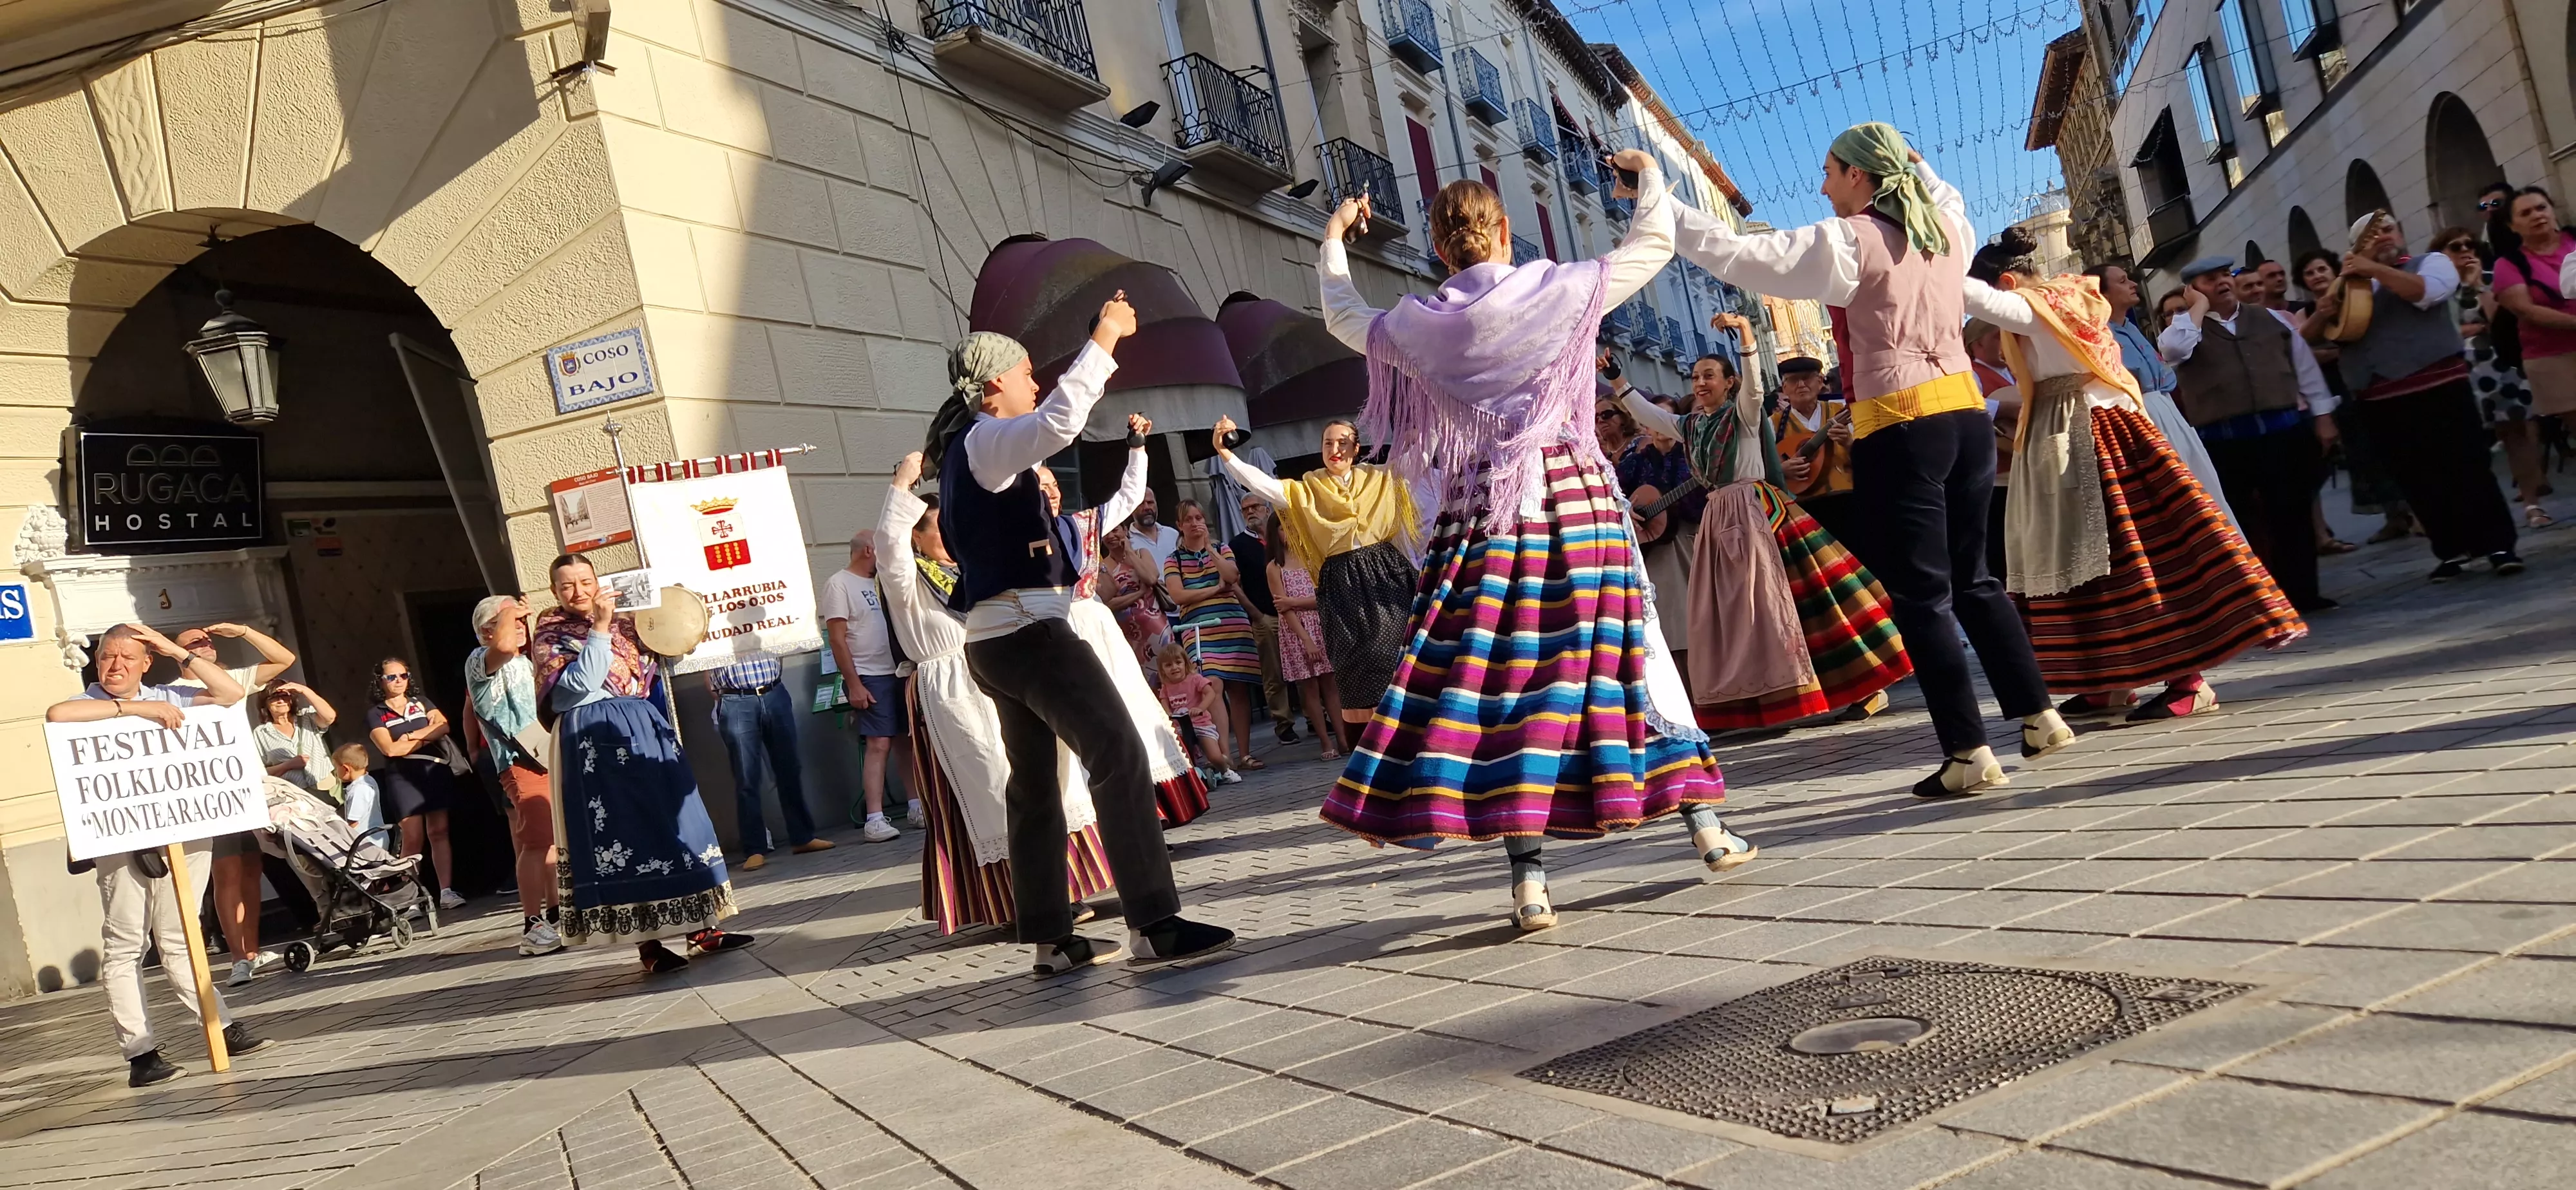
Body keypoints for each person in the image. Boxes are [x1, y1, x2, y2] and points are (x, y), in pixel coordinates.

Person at [1312, 154, 1754, 933]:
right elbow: (1651, 245)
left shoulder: (1419, 323)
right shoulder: (1560, 290)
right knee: (1631, 651)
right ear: (1505, 233)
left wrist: (1335, 239)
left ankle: (1530, 884)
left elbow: (1344, 315)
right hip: (1575, 496)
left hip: (1481, 510)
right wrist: (1647, 177)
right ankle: (1707, 831)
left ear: (1440, 251)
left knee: (1501, 679)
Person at [1666, 123, 2071, 797]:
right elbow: (1943, 193)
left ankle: (1968, 753)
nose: (1822, 186)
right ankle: (2039, 715)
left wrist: (1658, 200)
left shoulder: (1850, 239)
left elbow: (1740, 255)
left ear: (1860, 176)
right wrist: (1919, 159)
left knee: (1922, 594)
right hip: (1966, 415)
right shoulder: (1947, 229)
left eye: (1829, 171)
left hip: (1901, 421)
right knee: (1974, 578)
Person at [926, 296, 1234, 974]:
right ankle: (1153, 922)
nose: (1034, 382)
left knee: (1034, 785)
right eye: (1026, 372)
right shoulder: (985, 439)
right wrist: (1105, 336)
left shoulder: (964, 454)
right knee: (1118, 750)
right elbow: (1061, 418)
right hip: (1030, 633)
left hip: (994, 640)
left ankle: (1051, 940)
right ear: (991, 387)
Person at [1962, 229, 2304, 722]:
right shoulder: (2071, 295)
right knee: (2089, 563)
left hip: (2089, 433)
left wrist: (1924, 249)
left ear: (2008, 282)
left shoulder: (2039, 303)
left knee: (2136, 554)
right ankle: (2111, 681)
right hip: (2086, 428)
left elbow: (1973, 298)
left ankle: (2188, 680)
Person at [873, 459, 1117, 936]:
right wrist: (901, 484)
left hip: (994, 678)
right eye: (935, 529)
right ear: (916, 538)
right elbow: (887, 549)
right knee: (990, 791)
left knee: (1041, 781)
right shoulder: (909, 581)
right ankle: (1020, 901)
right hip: (951, 694)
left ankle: (1063, 887)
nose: (946, 535)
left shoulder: (971, 572)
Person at [1613, 342, 1907, 731]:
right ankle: (1769, 700)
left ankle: (1864, 682)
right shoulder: (1691, 425)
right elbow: (1646, 412)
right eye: (1696, 376)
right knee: (1738, 616)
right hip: (1719, 517)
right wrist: (1616, 377)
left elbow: (1754, 390)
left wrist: (1749, 344)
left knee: (1796, 600)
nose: (1700, 382)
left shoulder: (1745, 414)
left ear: (1729, 382)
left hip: (1757, 510)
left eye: (1709, 375)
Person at [48, 624, 272, 1087]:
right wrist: (134, 708)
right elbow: (57, 714)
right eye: (108, 656)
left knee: (183, 932)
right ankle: (141, 1053)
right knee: (127, 942)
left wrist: (174, 650)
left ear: (147, 661)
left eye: (128, 657)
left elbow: (229, 692)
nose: (115, 665)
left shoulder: (172, 692)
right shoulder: (88, 704)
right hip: (123, 839)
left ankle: (220, 1026)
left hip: (186, 829)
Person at [532, 554, 748, 974]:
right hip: (592, 741)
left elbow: (664, 656)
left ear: (599, 582)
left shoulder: (628, 626)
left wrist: (683, 621)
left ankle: (703, 928)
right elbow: (577, 686)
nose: (579, 592)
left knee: (679, 824)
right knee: (625, 835)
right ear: (556, 593)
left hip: (644, 726)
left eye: (585, 581)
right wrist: (597, 629)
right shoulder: (550, 635)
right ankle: (648, 945)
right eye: (567, 586)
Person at [2307, 213, 2522, 578]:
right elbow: (2318, 335)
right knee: (2415, 476)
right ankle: (2450, 550)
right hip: (2379, 397)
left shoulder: (2432, 263)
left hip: (2439, 385)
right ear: (2356, 247)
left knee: (2467, 467)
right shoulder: (2350, 285)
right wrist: (2323, 311)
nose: (2384, 237)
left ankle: (2498, 546)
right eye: (2372, 236)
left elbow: (2426, 294)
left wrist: (2374, 269)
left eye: (2389, 229)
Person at [1209, 414, 1425, 753]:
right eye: (1327, 443)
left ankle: (1414, 737)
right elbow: (1265, 486)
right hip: (1341, 580)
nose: (1334, 449)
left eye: (1342, 442)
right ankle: (1369, 750)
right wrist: (1227, 455)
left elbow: (1422, 455)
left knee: (1400, 654)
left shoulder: (1381, 477)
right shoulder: (1307, 488)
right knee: (1354, 662)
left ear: (1355, 449)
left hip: (1386, 573)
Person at [1032, 430, 1215, 827]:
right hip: (1059, 632)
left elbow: (1129, 496)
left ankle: (1152, 810)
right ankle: (1098, 821)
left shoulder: (1082, 524)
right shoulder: (1018, 538)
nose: (1053, 492)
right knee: (1082, 726)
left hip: (1096, 625)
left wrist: (1136, 449)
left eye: (1056, 485)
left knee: (1130, 708)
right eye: (1042, 487)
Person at [2159, 253, 2340, 612]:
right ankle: (2258, 600)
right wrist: (2196, 309)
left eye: (2225, 275)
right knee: (2241, 520)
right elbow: (2174, 350)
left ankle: (2303, 593)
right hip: (2223, 441)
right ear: (2194, 290)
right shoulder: (2185, 330)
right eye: (2210, 280)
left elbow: (2304, 369)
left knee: (2292, 514)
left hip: (2281, 432)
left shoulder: (2270, 319)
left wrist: (2323, 416)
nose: (2223, 282)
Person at [169, 623, 295, 990]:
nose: (205, 643)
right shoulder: (175, 692)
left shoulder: (232, 677)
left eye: (206, 639)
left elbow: (284, 659)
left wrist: (242, 632)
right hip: (212, 794)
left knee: (253, 869)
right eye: (194, 642)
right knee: (225, 874)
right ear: (176, 653)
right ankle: (237, 957)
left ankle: (253, 950)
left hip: (250, 788)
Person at [2090, 262, 2235, 529]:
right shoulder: (2099, 335)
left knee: (2204, 482)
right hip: (2142, 412)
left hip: (2167, 410)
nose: (2133, 284)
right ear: (2103, 294)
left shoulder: (2130, 328)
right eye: (2123, 281)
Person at [464, 596, 563, 957]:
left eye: (524, 620)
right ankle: (531, 924)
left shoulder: (525, 661)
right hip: (519, 761)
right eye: (512, 619)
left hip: (547, 755)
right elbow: (504, 644)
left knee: (552, 840)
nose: (521, 624)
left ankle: (556, 912)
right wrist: (510, 610)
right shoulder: (480, 660)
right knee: (535, 842)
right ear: (486, 631)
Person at [2295, 249, 2414, 544]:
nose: (2317, 276)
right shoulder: (2306, 311)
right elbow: (2300, 345)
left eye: (2321, 269)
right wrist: (2323, 318)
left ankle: (2415, 512)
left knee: (2393, 446)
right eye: (2310, 273)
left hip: (2369, 377)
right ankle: (2393, 516)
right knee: (2363, 454)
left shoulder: (2356, 293)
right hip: (2336, 388)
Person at [2434, 226, 2550, 526]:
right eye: (2455, 247)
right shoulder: (2436, 290)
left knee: (2516, 434)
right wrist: (2470, 326)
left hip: (2498, 366)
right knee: (2467, 444)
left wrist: (2476, 287)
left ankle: (2532, 504)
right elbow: (2443, 333)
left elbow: (2494, 320)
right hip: (2459, 372)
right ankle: (2478, 514)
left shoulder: (2493, 281)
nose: (2465, 251)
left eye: (2469, 245)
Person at [1606, 366, 1706, 686]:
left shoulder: (1691, 455)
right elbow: (1616, 495)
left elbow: (1696, 500)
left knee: (1696, 617)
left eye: (1666, 418)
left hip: (1691, 541)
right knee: (1668, 621)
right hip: (1654, 552)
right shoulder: (1637, 460)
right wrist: (1629, 512)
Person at [819, 530, 916, 842]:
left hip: (897, 671)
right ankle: (874, 817)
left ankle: (915, 804)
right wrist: (854, 684)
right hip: (869, 674)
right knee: (879, 744)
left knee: (906, 741)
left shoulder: (880, 583)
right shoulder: (839, 584)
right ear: (868, 550)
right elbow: (837, 638)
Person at [1162, 499, 1264, 772]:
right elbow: (1177, 596)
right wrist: (1212, 591)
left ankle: (1244, 754)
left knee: (1239, 689)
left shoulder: (1221, 548)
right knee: (1212, 684)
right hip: (1199, 629)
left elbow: (1231, 576)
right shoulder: (1175, 560)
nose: (1196, 523)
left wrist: (1210, 549)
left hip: (1232, 625)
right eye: (1189, 519)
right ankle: (1223, 754)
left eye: (1199, 518)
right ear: (1180, 526)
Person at [2492, 187, 2576, 517]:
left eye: (2541, 207)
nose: (2537, 215)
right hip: (2552, 358)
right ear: (2513, 227)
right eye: (2525, 213)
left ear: (2554, 210)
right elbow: (2527, 311)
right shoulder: (2509, 264)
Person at [365, 657, 464, 912]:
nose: (399, 681)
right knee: (412, 837)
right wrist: (426, 735)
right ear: (381, 681)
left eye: (403, 675)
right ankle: (411, 899)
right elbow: (389, 749)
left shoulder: (421, 702)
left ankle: (446, 891)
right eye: (392, 677)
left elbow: (443, 726)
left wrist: (411, 737)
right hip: (402, 776)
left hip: (432, 769)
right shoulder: (377, 713)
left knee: (439, 831)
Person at [1770, 355, 1862, 557]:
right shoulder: (1772, 425)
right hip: (1802, 509)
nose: (1801, 385)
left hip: (1847, 502)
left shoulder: (1843, 414)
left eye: (1808, 378)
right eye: (1794, 380)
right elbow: (1760, 470)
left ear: (1820, 382)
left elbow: (1870, 460)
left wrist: (1848, 443)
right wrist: (1781, 470)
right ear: (1784, 388)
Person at [1231, 493, 1300, 744]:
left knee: (1306, 666)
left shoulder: (1283, 538)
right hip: (1265, 615)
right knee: (1273, 673)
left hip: (1295, 610)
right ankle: (1284, 723)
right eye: (1245, 509)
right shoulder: (1237, 545)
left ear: (1267, 508)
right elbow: (1234, 584)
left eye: (1255, 507)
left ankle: (1317, 716)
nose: (1250, 512)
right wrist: (1256, 615)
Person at [1967, 319, 2018, 584]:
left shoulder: (2018, 369)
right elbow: (1970, 406)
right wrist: (2006, 408)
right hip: (2000, 477)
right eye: (1998, 337)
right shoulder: (1970, 374)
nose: (2006, 342)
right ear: (1977, 344)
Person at [1155, 645, 1236, 783]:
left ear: (1185, 663)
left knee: (1215, 757)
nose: (1174, 667)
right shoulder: (1166, 686)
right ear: (1162, 670)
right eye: (1168, 665)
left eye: (1178, 663)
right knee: (1183, 757)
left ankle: (1226, 770)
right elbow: (1164, 701)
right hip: (1181, 727)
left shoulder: (1194, 679)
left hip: (1201, 724)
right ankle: (1193, 779)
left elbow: (1210, 693)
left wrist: (1201, 708)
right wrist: (1167, 712)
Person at [333, 743, 386, 850]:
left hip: (366, 845)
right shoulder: (369, 780)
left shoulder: (358, 790)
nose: (335, 771)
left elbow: (353, 823)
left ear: (345, 769)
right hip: (378, 839)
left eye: (336, 768)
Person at [1126, 489, 1180, 578]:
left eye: (1150, 502)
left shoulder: (1173, 534)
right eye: (1141, 504)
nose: (1146, 507)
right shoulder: (1128, 542)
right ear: (1131, 509)